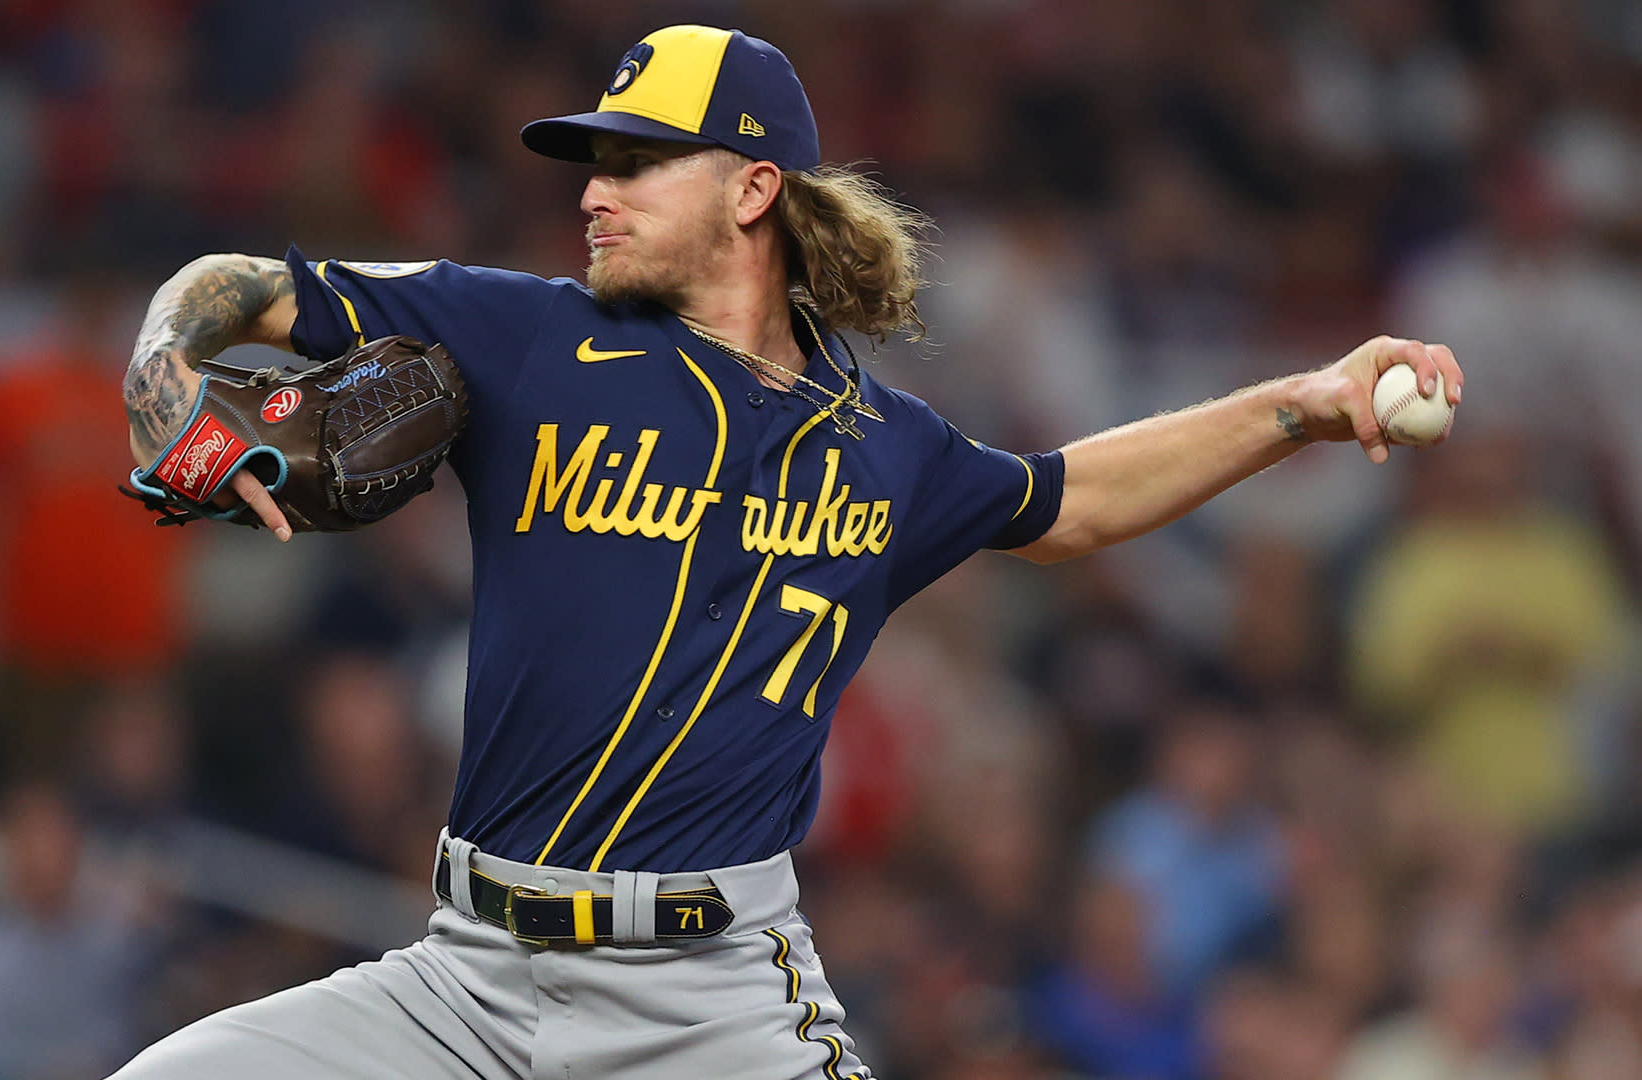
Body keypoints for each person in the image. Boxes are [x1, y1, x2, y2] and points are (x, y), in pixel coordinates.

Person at [113, 24, 1463, 1080]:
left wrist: (1298, 405)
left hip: (712, 1003)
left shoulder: (889, 445)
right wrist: (167, 372)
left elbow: (1073, 502)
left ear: (755, 186)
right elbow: (241, 289)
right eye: (596, 157)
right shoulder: (521, 335)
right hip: (461, 980)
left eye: (640, 160)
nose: (598, 189)